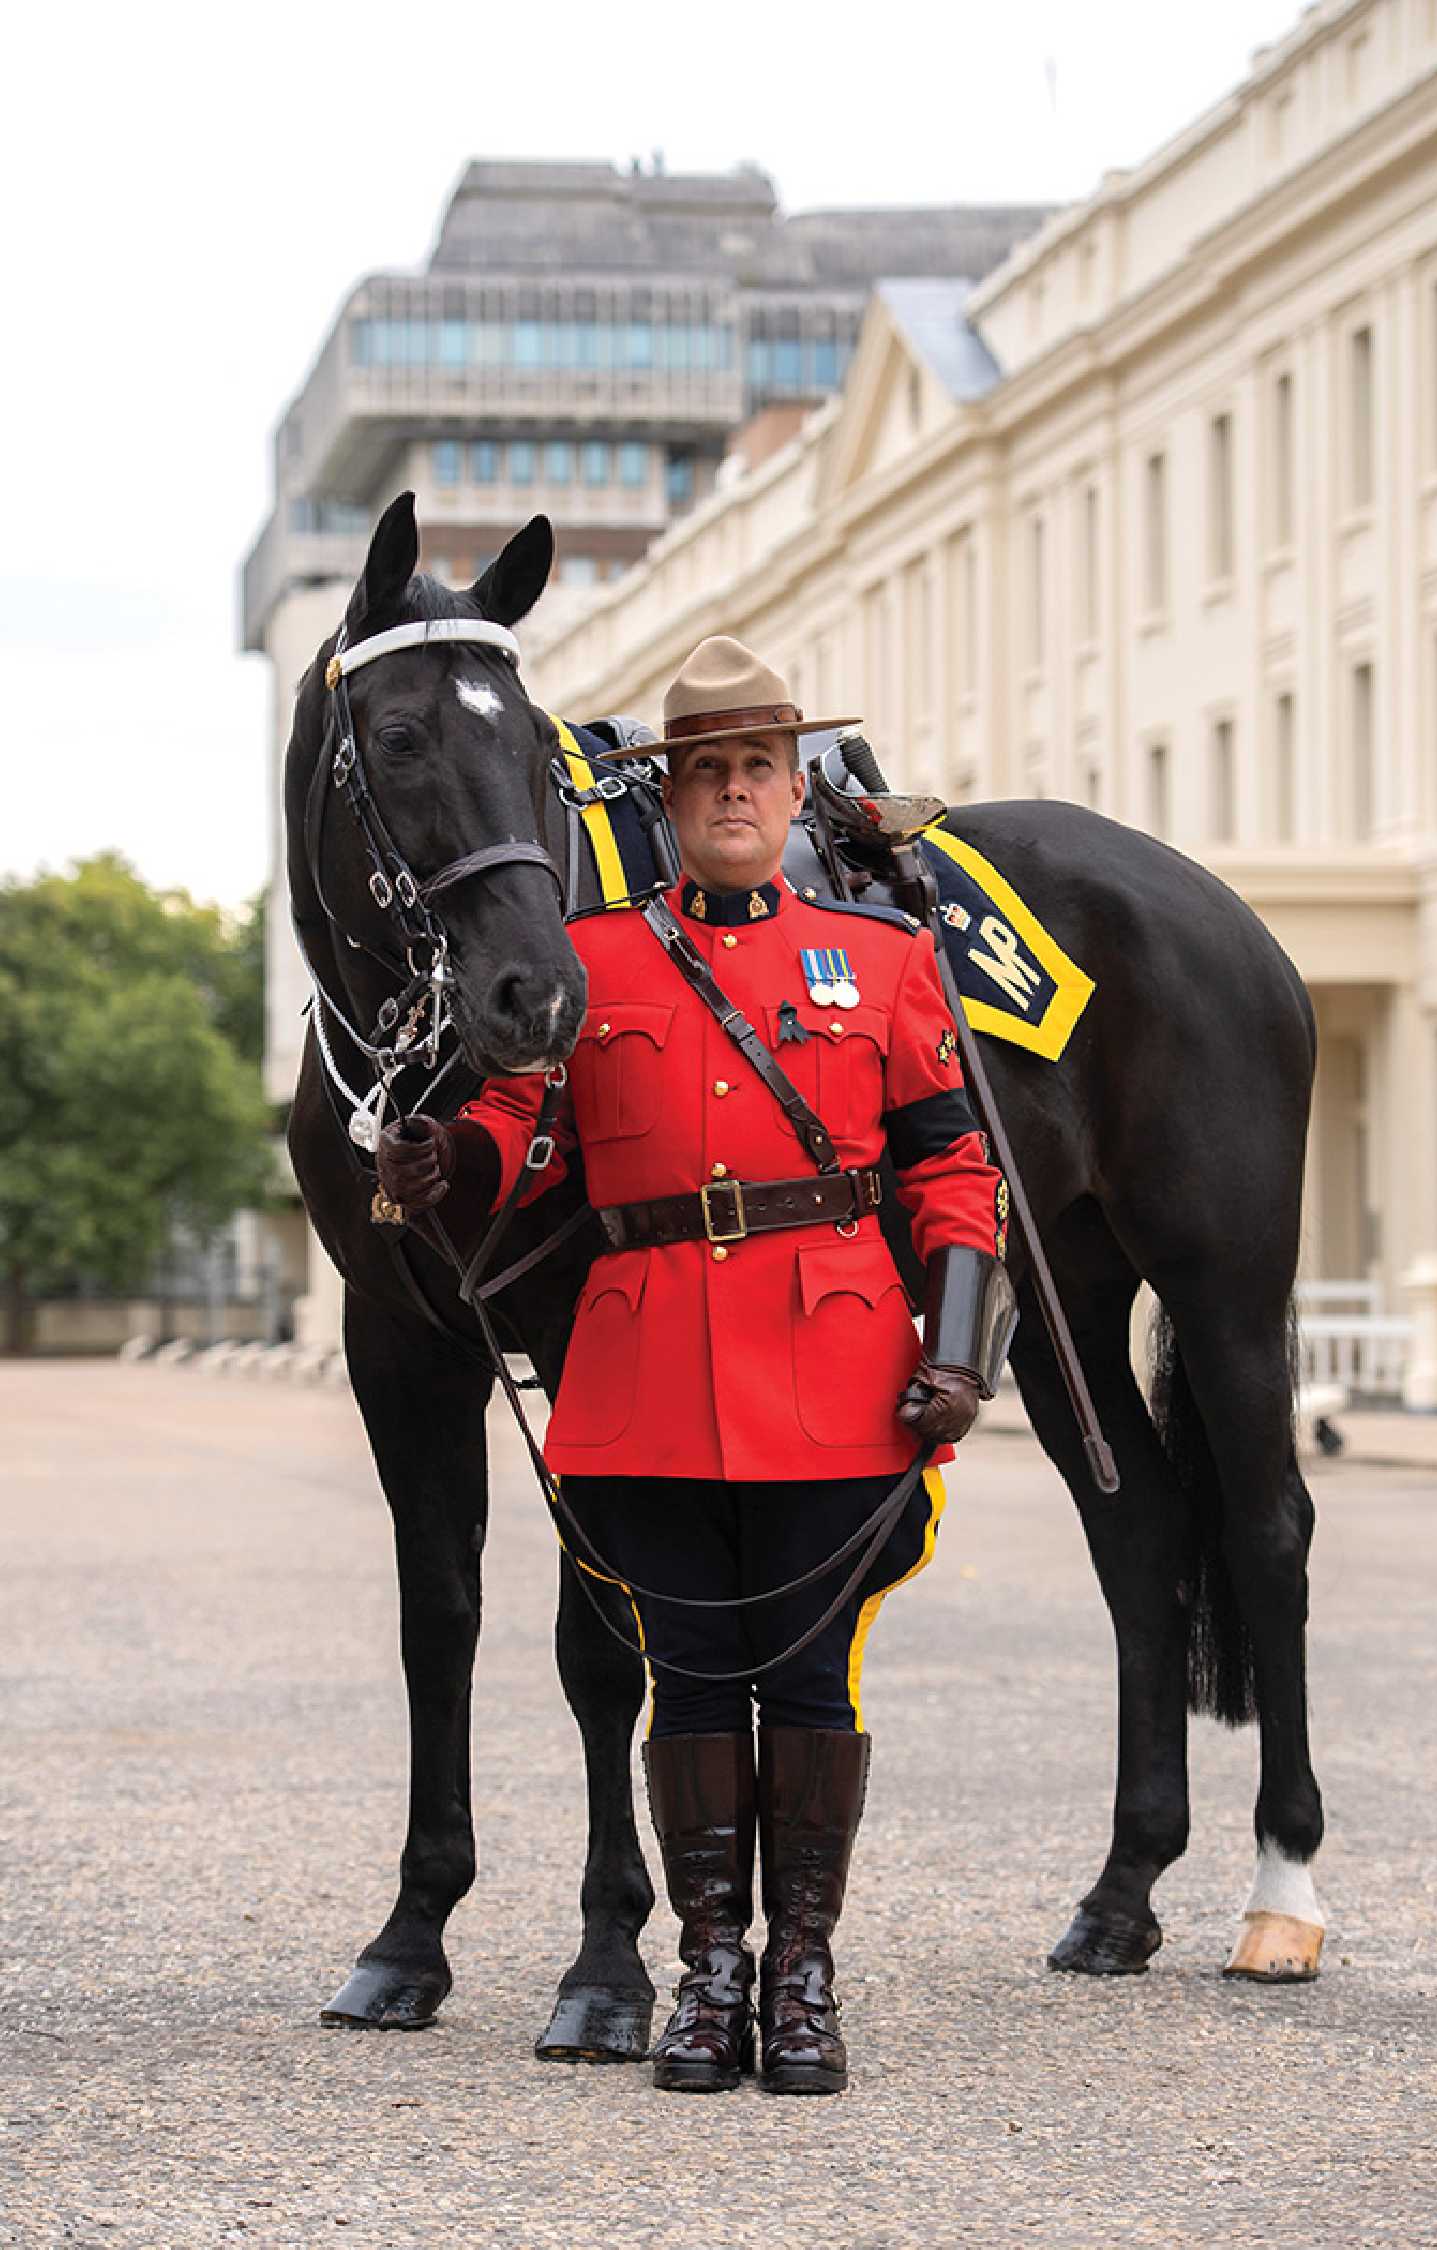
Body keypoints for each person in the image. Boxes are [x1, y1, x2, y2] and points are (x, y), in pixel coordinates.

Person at [377, 636, 1013, 2096]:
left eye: (755, 769)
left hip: (837, 1374)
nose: (733, 791)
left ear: (793, 791)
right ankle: (707, 1975)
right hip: (651, 1378)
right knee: (692, 1682)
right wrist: (442, 1156)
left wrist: (962, 1350)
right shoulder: (594, 962)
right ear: (673, 801)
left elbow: (951, 1170)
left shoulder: (891, 964)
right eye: (706, 772)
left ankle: (804, 1976)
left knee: (809, 1684)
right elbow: (519, 1122)